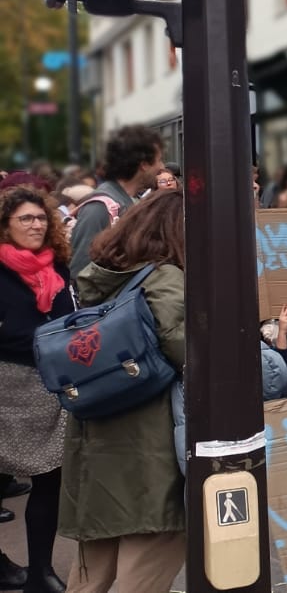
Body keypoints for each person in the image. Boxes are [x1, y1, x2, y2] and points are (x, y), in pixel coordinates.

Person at [66, 189, 187, 592]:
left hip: (100, 436)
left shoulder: (108, 277)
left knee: (93, 566)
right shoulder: (165, 277)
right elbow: (183, 346)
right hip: (150, 443)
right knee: (151, 555)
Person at [0, 187, 73, 593]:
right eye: (25, 218)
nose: (36, 225)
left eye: (41, 217)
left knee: (50, 477)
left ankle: (41, 571)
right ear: (6, 225)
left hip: (50, 384)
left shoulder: (57, 265)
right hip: (5, 384)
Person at [68, 125, 165, 277]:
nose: (162, 167)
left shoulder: (132, 201)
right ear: (144, 165)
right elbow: (80, 272)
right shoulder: (99, 208)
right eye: (159, 160)